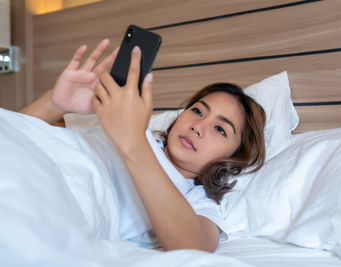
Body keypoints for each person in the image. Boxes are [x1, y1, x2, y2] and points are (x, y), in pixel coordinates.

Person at [19, 39, 266, 252]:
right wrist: (54, 103)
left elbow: (195, 248)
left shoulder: (197, 200)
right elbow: (18, 134)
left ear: (233, 157)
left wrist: (133, 143)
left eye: (220, 129)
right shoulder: (132, 125)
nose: (198, 126)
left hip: (46, 205)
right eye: (198, 111)